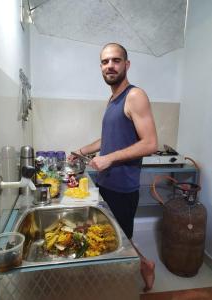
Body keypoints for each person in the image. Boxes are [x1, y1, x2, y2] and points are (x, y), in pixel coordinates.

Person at [70, 43, 158, 292]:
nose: (110, 65)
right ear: (100, 67)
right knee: (113, 235)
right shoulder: (112, 99)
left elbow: (151, 143)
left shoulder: (134, 96)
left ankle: (139, 270)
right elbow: (107, 140)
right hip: (106, 182)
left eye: (116, 60)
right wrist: (81, 151)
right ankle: (141, 266)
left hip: (122, 186)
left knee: (121, 241)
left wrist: (109, 159)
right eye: (105, 61)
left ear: (126, 65)